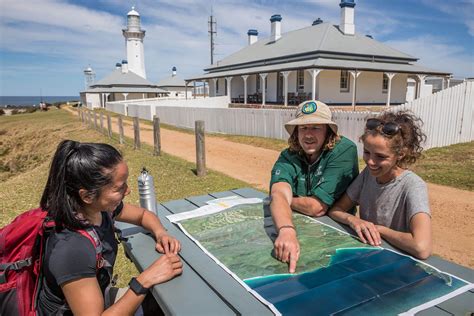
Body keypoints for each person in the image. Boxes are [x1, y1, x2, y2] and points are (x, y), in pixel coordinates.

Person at [37, 140, 183, 315]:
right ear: (87, 195)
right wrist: (144, 280)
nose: (128, 191)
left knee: (165, 301)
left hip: (99, 298)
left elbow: (143, 215)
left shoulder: (99, 210)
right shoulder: (72, 249)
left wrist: (160, 233)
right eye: (119, 187)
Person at [270, 100, 359, 273]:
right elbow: (278, 192)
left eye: (316, 128)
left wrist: (285, 200)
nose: (308, 134)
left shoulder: (344, 150)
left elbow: (316, 207)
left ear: (329, 132)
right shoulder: (289, 155)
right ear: (296, 132)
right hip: (298, 229)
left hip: (339, 236)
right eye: (303, 128)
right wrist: (286, 230)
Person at [328, 111, 431, 259]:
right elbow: (336, 210)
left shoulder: (413, 185)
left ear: (401, 154)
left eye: (381, 157)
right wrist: (354, 220)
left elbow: (422, 247)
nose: (370, 161)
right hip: (371, 256)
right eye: (367, 152)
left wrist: (378, 230)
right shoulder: (367, 175)